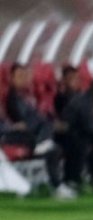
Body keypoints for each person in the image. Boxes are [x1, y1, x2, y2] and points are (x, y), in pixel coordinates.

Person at [3, 62, 71, 198]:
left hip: (29, 133)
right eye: (19, 76)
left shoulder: (26, 97)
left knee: (54, 147)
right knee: (46, 124)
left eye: (25, 75)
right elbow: (21, 118)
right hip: (13, 135)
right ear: (11, 78)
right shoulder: (12, 97)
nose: (23, 79)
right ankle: (42, 143)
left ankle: (57, 185)